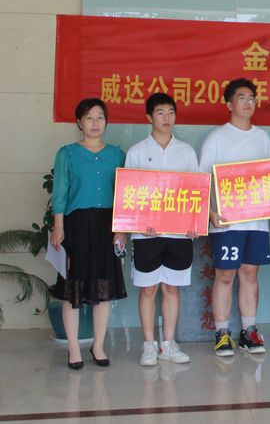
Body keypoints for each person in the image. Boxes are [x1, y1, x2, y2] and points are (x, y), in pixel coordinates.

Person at [199, 78, 270, 357]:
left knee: (250, 274)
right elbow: (202, 180)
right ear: (229, 104)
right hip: (227, 222)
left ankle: (248, 331)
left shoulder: (262, 137)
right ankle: (222, 334)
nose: (248, 102)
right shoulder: (217, 138)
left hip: (256, 222)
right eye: (242, 97)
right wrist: (211, 213)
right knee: (225, 274)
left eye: (252, 98)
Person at [50, 98, 127, 369]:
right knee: (72, 287)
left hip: (107, 226)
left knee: (103, 288)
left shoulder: (117, 154)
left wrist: (121, 230)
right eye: (89, 117)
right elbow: (59, 191)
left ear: (106, 122)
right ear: (79, 122)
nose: (95, 123)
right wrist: (59, 226)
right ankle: (74, 348)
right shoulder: (67, 153)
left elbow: (124, 194)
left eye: (100, 117)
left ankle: (98, 345)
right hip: (76, 226)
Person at [124, 93, 199, 366]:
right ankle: (148, 345)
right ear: (149, 117)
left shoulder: (187, 152)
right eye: (160, 112)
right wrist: (138, 224)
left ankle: (168, 345)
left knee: (172, 288)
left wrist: (194, 223)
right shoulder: (136, 152)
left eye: (171, 112)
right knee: (148, 290)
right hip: (147, 234)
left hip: (178, 234)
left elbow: (196, 192)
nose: (166, 118)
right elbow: (129, 194)